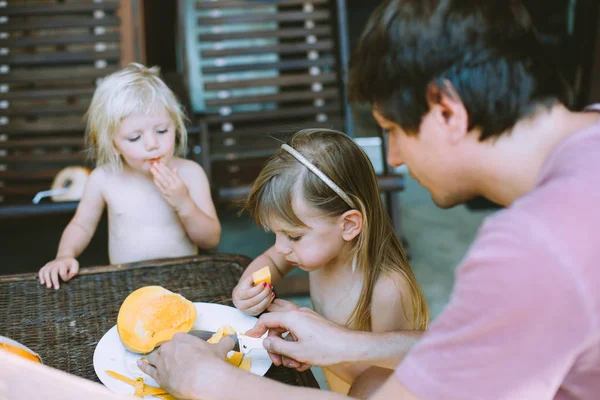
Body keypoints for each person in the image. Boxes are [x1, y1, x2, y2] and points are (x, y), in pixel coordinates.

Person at [138, 0, 600, 399]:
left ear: (446, 111)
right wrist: (349, 344)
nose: (394, 158)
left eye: (394, 130)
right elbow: (492, 346)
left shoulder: (535, 249)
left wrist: (209, 380)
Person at [231, 128, 428, 393]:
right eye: (275, 234)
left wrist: (311, 349)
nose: (280, 247)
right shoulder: (316, 251)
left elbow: (385, 382)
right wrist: (246, 286)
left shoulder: (386, 290)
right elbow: (273, 262)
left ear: (348, 225)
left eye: (293, 236)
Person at [38, 63, 221, 289]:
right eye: (135, 137)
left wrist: (184, 203)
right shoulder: (103, 178)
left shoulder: (190, 173)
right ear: (113, 144)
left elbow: (211, 239)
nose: (152, 144)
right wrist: (65, 255)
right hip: (126, 285)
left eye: (162, 131)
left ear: (175, 125)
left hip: (184, 281)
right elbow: (82, 225)